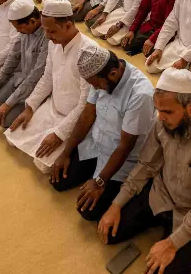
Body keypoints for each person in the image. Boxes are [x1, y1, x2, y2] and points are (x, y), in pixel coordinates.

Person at [97, 68, 191, 274]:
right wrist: (116, 205)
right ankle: (159, 222)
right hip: (161, 196)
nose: (160, 118)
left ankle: (174, 234)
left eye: (167, 112)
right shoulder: (163, 122)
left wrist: (172, 243)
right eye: (158, 110)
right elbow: (146, 165)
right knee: (109, 232)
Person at [49, 45, 155, 222]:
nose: (95, 88)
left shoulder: (140, 94)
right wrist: (66, 152)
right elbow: (87, 115)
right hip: (96, 145)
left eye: (95, 84)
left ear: (113, 74)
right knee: (58, 181)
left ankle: (142, 189)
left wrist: (100, 182)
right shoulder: (100, 74)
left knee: (88, 211)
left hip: (123, 158)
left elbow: (125, 145)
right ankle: (95, 172)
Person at [4, 0, 98, 173]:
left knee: (42, 164)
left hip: (74, 117)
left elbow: (86, 105)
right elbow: (47, 78)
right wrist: (30, 106)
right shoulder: (53, 43)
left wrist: (59, 134)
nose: (46, 36)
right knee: (12, 136)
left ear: (68, 26)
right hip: (53, 108)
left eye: (51, 31)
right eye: (45, 30)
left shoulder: (88, 52)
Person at [0, 0, 49, 128]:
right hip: (19, 78)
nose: (18, 31)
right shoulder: (25, 31)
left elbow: (35, 76)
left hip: (34, 87)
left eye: (19, 27)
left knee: (5, 121)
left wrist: (8, 104)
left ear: (32, 21)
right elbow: (12, 58)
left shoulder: (47, 36)